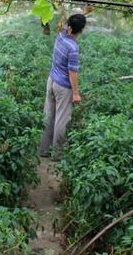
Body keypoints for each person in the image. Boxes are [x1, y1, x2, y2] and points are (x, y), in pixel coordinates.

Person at [39, 13, 87, 159]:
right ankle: (57, 154)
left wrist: (85, 12)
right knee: (62, 119)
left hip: (51, 80)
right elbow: (72, 73)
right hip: (63, 87)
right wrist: (76, 93)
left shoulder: (61, 33)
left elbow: (69, 22)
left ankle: (43, 150)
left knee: (48, 115)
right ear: (81, 30)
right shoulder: (73, 47)